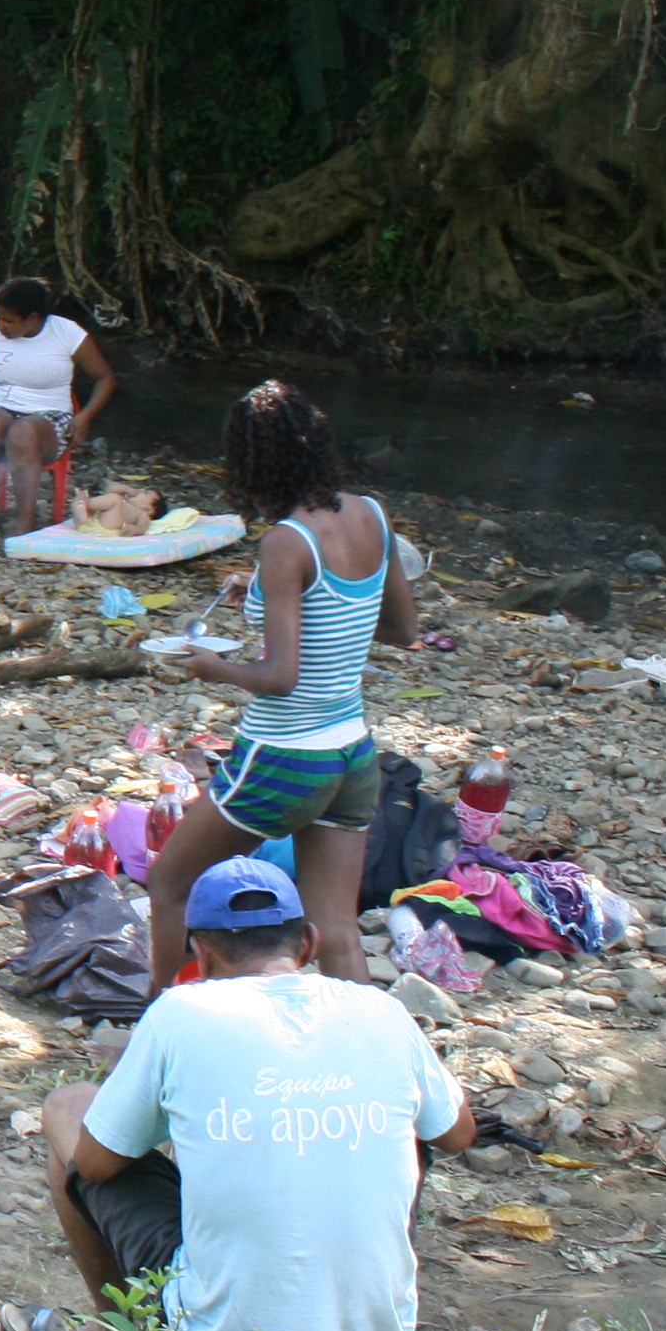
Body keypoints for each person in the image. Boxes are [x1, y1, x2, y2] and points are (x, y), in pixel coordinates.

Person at [42, 858, 474, 1331]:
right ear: (308, 944)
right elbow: (457, 1133)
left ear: (200, 955)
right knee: (413, 1123)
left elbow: (95, 1163)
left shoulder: (180, 1014)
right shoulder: (380, 1010)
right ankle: (347, 1299)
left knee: (69, 1107)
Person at [136, 380, 417, 993]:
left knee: (170, 885)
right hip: (353, 754)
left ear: (253, 462)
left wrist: (212, 667)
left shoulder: (286, 541)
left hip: (284, 755)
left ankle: (160, 1025)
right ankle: (366, 1053)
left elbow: (279, 678)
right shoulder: (370, 513)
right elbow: (401, 628)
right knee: (336, 930)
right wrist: (268, 586)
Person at [0, 276, 118, 542]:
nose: (0, 325)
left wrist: (85, 416)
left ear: (32, 318)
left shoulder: (67, 332)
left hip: (50, 418)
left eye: (9, 321)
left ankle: (25, 521)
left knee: (23, 432)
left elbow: (105, 378)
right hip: (2, 407)